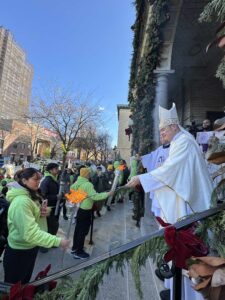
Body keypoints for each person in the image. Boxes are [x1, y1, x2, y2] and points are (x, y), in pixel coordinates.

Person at [127, 103, 213, 300]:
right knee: (175, 249)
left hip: (188, 205)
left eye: (163, 130)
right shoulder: (178, 141)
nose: (161, 134)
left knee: (187, 252)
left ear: (174, 125)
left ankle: (189, 296)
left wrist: (142, 179)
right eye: (160, 130)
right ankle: (175, 290)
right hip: (180, 203)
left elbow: (171, 169)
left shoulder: (183, 142)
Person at [3, 168, 69, 284]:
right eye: (35, 179)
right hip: (19, 251)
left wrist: (44, 211)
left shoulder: (31, 194)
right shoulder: (21, 202)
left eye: (39, 178)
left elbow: (34, 214)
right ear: (24, 181)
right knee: (14, 289)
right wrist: (58, 241)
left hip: (30, 247)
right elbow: (30, 233)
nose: (38, 181)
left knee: (23, 284)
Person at [71, 167, 113, 259]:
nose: (90, 174)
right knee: (82, 231)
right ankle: (79, 252)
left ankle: (75, 248)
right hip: (86, 210)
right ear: (87, 174)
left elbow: (71, 190)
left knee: (78, 230)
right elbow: (95, 197)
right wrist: (107, 194)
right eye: (89, 173)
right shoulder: (87, 184)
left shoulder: (77, 182)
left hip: (79, 209)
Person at [40, 163, 60, 236]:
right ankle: (49, 242)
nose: (58, 170)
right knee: (51, 226)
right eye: (56, 169)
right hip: (49, 209)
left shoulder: (53, 179)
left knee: (54, 226)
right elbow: (43, 196)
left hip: (54, 207)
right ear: (51, 170)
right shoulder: (47, 180)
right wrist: (56, 197)